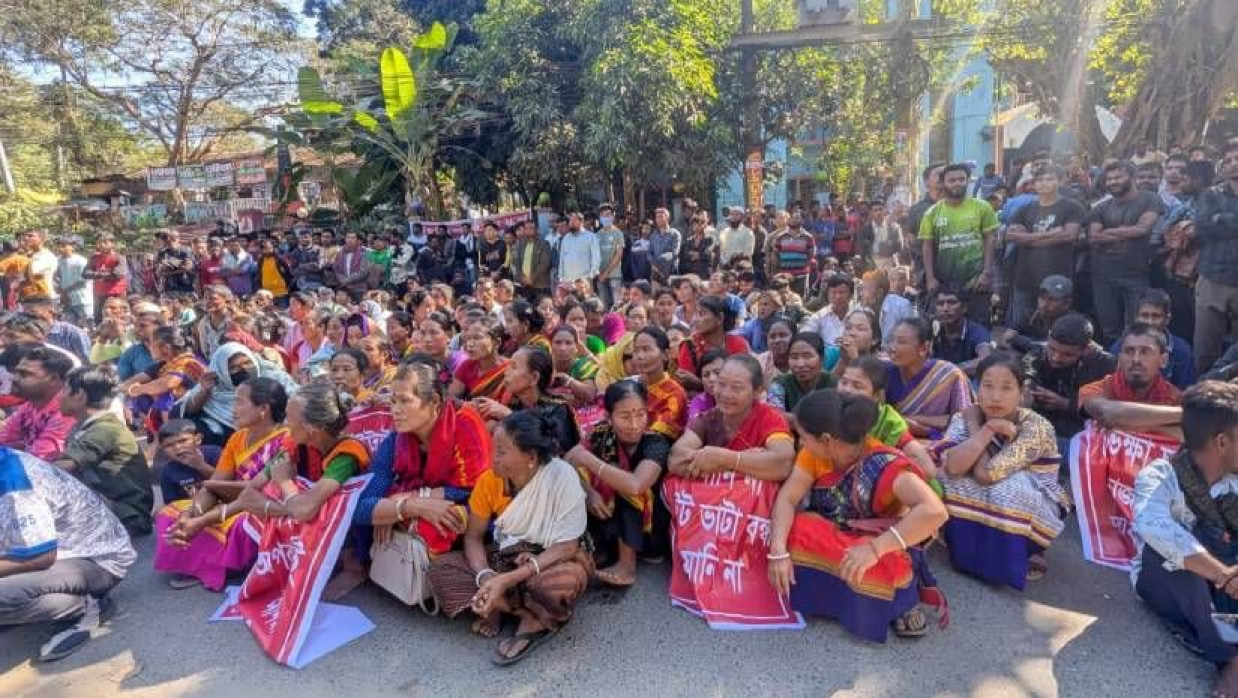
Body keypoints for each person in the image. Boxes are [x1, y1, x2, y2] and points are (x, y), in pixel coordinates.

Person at [768, 389, 947, 642]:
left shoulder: (887, 465)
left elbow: (935, 511)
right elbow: (788, 499)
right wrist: (777, 551)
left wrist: (875, 548)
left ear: (827, 440)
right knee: (793, 529)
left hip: (880, 542)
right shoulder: (812, 454)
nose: (800, 443)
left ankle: (900, 604)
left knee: (885, 562)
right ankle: (828, 601)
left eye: (804, 437)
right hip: (835, 530)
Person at [426, 410, 592, 665]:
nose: (493, 459)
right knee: (441, 570)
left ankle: (523, 615)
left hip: (553, 560)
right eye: (494, 449)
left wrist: (508, 579)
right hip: (506, 556)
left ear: (531, 457)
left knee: (556, 585)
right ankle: (523, 610)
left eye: (502, 452)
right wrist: (486, 576)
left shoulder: (562, 477)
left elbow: (567, 546)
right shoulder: (489, 481)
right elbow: (473, 538)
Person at [1130, 381, 1238, 697]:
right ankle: (1231, 659)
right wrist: (1222, 575)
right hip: (1175, 585)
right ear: (1221, 442)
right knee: (1167, 557)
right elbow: (1153, 526)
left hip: (1230, 583)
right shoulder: (1161, 474)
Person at [935, 353, 1069, 589]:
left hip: (1038, 501)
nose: (995, 396)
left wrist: (977, 425)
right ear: (978, 388)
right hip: (988, 481)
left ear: (1021, 393)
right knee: (944, 475)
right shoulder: (964, 416)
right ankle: (965, 548)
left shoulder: (1036, 427)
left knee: (1010, 487)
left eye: (1006, 388)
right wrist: (987, 430)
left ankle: (1023, 552)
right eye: (987, 386)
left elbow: (986, 475)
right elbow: (954, 466)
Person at [0, 446, 136, 662]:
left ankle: (83, 609)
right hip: (62, 554)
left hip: (94, 560)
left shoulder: (13, 480)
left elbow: (40, 556)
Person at [353, 361, 491, 572]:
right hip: (423, 501)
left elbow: (474, 490)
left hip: (473, 505)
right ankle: (371, 567)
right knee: (367, 513)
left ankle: (446, 571)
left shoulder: (465, 426)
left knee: (442, 520)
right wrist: (407, 507)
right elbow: (361, 504)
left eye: (404, 401)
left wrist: (403, 502)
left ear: (434, 401)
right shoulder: (398, 437)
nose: (395, 411)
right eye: (392, 401)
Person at [154, 377, 288, 590]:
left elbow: (257, 490)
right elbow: (215, 484)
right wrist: (190, 514)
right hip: (231, 501)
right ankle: (204, 565)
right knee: (170, 513)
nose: (232, 408)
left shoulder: (286, 440)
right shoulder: (237, 439)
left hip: (262, 506)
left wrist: (203, 519)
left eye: (239, 402)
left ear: (263, 408)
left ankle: (221, 567)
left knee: (242, 525)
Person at [566, 380, 670, 587]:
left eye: (640, 414)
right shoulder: (601, 433)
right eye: (624, 416)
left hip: (651, 531)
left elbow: (635, 485)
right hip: (609, 518)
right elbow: (568, 460)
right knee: (576, 487)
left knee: (623, 487)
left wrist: (589, 460)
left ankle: (626, 565)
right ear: (609, 417)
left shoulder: (655, 443)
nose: (634, 424)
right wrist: (589, 493)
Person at [53, 366, 152, 536]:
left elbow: (60, 468)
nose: (59, 397)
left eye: (64, 390)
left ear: (80, 395)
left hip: (126, 516)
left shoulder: (105, 429)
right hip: (108, 509)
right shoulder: (84, 427)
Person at [1087, 160, 1165, 345]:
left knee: (1137, 328)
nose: (1113, 182)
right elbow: (1093, 237)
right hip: (1103, 276)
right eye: (1109, 179)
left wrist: (1108, 232)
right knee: (1109, 329)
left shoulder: (1149, 199)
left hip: (1135, 275)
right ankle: (1113, 368)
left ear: (1132, 177)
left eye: (1119, 177)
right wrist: (1126, 232)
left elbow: (1143, 229)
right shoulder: (1101, 207)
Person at [1005, 165, 1087, 329]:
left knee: (1057, 327)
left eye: (1049, 179)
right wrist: (1051, 234)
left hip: (1057, 278)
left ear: (1060, 181)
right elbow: (1011, 236)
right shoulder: (1025, 208)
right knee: (1021, 327)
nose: (1044, 184)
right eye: (1039, 180)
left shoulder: (1072, 207)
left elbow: (1069, 235)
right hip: (1025, 277)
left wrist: (1029, 238)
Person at [920, 163, 998, 323]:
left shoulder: (982, 208)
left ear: (968, 181)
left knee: (979, 327)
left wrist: (987, 273)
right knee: (946, 328)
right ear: (943, 183)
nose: (957, 183)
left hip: (977, 282)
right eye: (952, 180)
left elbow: (990, 239)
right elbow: (927, 246)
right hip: (946, 284)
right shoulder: (932, 213)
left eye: (962, 179)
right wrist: (930, 278)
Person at [1023, 314, 1116, 448]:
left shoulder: (1105, 366)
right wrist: (1027, 385)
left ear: (1087, 349)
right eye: (1052, 349)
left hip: (1082, 432)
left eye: (1067, 354)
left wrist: (1067, 405)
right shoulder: (1041, 351)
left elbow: (1108, 411)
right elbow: (1029, 364)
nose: (1055, 358)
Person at [1079, 323, 1183, 439]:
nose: (1136, 359)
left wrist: (1127, 423)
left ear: (1163, 360)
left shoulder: (1175, 397)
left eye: (1145, 352)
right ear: (1119, 359)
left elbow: (1186, 437)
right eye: (1129, 351)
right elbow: (1108, 413)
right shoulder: (1095, 389)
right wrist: (1182, 414)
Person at [837, 356, 937, 475]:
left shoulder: (889, 422)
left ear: (877, 395)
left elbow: (928, 469)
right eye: (843, 382)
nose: (846, 390)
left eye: (857, 386)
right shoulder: (830, 408)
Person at [884, 318, 975, 439]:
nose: (892, 348)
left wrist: (910, 420)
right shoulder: (883, 371)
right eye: (891, 340)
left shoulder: (949, 375)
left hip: (941, 444)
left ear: (923, 348)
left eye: (901, 342)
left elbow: (963, 421)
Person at [1192, 143, 1238, 372]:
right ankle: (1200, 397)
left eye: (1236, 158)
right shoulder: (1211, 194)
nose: (1233, 164)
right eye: (1228, 160)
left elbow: (1213, 226)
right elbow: (1201, 229)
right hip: (1213, 278)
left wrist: (1221, 219)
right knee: (1205, 348)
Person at [122, 325, 207, 433]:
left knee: (165, 397)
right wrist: (135, 388)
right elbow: (128, 383)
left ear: (166, 348)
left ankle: (170, 434)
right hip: (183, 410)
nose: (150, 348)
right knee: (142, 398)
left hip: (198, 412)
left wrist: (137, 389)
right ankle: (159, 435)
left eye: (152, 345)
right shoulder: (164, 365)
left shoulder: (188, 362)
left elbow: (167, 384)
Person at [1106, 289, 1196, 389]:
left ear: (1167, 319)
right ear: (1136, 317)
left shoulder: (1182, 350)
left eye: (1156, 316)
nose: (1149, 322)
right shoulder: (1119, 347)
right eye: (1144, 316)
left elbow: (1186, 391)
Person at [0, 345, 76, 460]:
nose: (14, 378)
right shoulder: (31, 404)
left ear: (53, 380)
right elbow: (4, 439)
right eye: (16, 372)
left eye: (24, 374)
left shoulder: (65, 412)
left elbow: (38, 462)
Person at [675, 294, 749, 392]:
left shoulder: (739, 344)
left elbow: (743, 382)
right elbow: (685, 383)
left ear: (720, 318)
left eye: (702, 314)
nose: (696, 319)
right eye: (696, 314)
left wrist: (699, 383)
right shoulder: (690, 345)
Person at [630, 326, 689, 441]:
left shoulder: (675, 393)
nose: (640, 356)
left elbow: (658, 436)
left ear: (665, 355)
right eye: (636, 351)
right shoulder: (629, 385)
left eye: (646, 349)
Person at [769, 332, 836, 413]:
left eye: (807, 356)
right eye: (794, 357)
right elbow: (774, 414)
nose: (800, 364)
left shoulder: (833, 383)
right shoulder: (780, 384)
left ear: (822, 358)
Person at [930, 286, 992, 373]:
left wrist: (951, 370)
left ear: (964, 308)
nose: (945, 309)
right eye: (940, 303)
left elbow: (986, 359)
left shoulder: (977, 332)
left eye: (952, 303)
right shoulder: (933, 331)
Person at [449, 316, 509, 401]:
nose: (470, 344)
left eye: (477, 338)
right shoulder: (467, 366)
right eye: (468, 338)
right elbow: (451, 398)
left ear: (497, 342)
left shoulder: (509, 369)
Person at [859, 269, 914, 347]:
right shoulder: (864, 309)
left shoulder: (902, 306)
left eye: (866, 289)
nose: (861, 294)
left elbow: (910, 339)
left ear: (879, 293)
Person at [548, 325, 599, 407]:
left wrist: (566, 380)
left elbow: (590, 395)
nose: (563, 348)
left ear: (576, 346)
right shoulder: (544, 364)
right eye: (558, 342)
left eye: (568, 343)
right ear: (551, 345)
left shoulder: (583, 364)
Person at [84, 232, 128, 324]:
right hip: (99, 295)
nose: (101, 245)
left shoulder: (119, 258)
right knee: (99, 321)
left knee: (118, 320)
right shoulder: (94, 258)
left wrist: (97, 275)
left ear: (112, 243)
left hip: (116, 295)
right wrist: (105, 275)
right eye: (99, 242)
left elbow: (117, 275)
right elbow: (85, 273)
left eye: (105, 242)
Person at [802, 274, 854, 347]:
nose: (838, 296)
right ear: (828, 294)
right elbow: (804, 337)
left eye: (842, 292)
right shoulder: (819, 317)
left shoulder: (859, 314)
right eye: (834, 292)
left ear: (851, 295)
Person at [755, 315, 795, 387]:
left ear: (794, 336)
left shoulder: (802, 361)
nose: (777, 340)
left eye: (783, 335)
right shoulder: (759, 363)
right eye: (772, 337)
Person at [649, 207, 681, 288]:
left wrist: (660, 264)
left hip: (671, 271)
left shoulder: (675, 234)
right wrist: (655, 265)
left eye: (661, 217)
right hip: (656, 272)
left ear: (667, 218)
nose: (658, 219)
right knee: (656, 297)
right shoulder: (653, 235)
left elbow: (675, 253)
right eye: (657, 217)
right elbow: (649, 253)